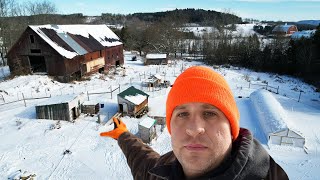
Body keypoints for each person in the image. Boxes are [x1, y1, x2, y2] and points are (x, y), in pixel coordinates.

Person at [100, 66, 289, 180]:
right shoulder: (162, 173)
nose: (194, 129)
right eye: (182, 114)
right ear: (171, 127)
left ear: (232, 128)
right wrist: (122, 135)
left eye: (209, 113)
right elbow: (142, 162)